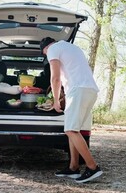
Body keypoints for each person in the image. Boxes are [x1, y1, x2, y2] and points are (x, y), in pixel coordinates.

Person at [40, 37, 103, 183]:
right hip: (89, 90)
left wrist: (56, 101)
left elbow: (55, 78)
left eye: (44, 54)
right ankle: (73, 167)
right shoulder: (72, 48)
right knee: (73, 130)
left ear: (45, 48)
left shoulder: (52, 49)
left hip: (78, 91)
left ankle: (93, 167)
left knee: (70, 131)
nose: (46, 56)